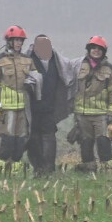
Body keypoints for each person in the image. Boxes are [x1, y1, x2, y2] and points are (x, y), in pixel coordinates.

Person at [0, 25, 34, 172]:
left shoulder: (28, 60)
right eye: (16, 40)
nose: (19, 43)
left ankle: (15, 171)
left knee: (20, 141)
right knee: (8, 140)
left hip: (23, 108)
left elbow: (36, 81)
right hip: (6, 108)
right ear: (9, 41)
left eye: (21, 40)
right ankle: (0, 169)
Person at [69, 36, 112, 173]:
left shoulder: (110, 69)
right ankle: (89, 168)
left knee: (103, 142)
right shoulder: (78, 66)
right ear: (89, 49)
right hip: (81, 113)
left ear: (104, 52)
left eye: (99, 49)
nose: (96, 51)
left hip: (101, 114)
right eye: (93, 48)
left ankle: (108, 169)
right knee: (85, 142)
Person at [27, 34, 78, 176]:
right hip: (32, 109)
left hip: (49, 108)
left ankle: (48, 169)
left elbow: (72, 70)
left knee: (49, 137)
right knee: (33, 139)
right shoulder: (27, 60)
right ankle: (38, 168)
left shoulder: (58, 61)